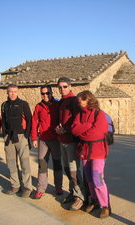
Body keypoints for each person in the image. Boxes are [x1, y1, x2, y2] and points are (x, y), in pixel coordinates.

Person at [71, 90, 111, 219]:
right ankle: (95, 201)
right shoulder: (79, 114)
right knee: (88, 179)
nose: (79, 102)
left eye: (81, 100)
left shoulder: (99, 114)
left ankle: (106, 206)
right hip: (85, 151)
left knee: (97, 178)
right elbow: (74, 130)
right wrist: (88, 126)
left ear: (88, 99)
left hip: (98, 151)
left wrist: (83, 130)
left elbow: (97, 133)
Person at [55, 77, 85, 211]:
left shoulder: (73, 101)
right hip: (62, 141)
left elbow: (76, 119)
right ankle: (73, 193)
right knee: (67, 169)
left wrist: (65, 129)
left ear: (70, 86)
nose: (62, 89)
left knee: (74, 171)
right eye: (60, 87)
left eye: (65, 86)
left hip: (71, 141)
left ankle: (80, 197)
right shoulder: (62, 101)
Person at [31, 85, 63, 199]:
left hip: (55, 139)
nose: (45, 95)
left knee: (57, 164)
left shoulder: (58, 105)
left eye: (47, 93)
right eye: (43, 93)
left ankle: (58, 187)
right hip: (43, 139)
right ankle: (41, 189)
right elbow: (34, 122)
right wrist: (34, 138)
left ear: (51, 92)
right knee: (42, 164)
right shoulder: (38, 107)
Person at [1, 84, 33, 198]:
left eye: (15, 91)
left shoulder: (23, 104)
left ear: (18, 92)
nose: (12, 93)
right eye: (10, 91)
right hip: (9, 137)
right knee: (11, 163)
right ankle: (15, 185)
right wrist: (4, 135)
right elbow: (3, 121)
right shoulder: (4, 105)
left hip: (21, 136)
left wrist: (26, 135)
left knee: (24, 163)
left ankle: (27, 187)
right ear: (7, 92)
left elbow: (30, 120)